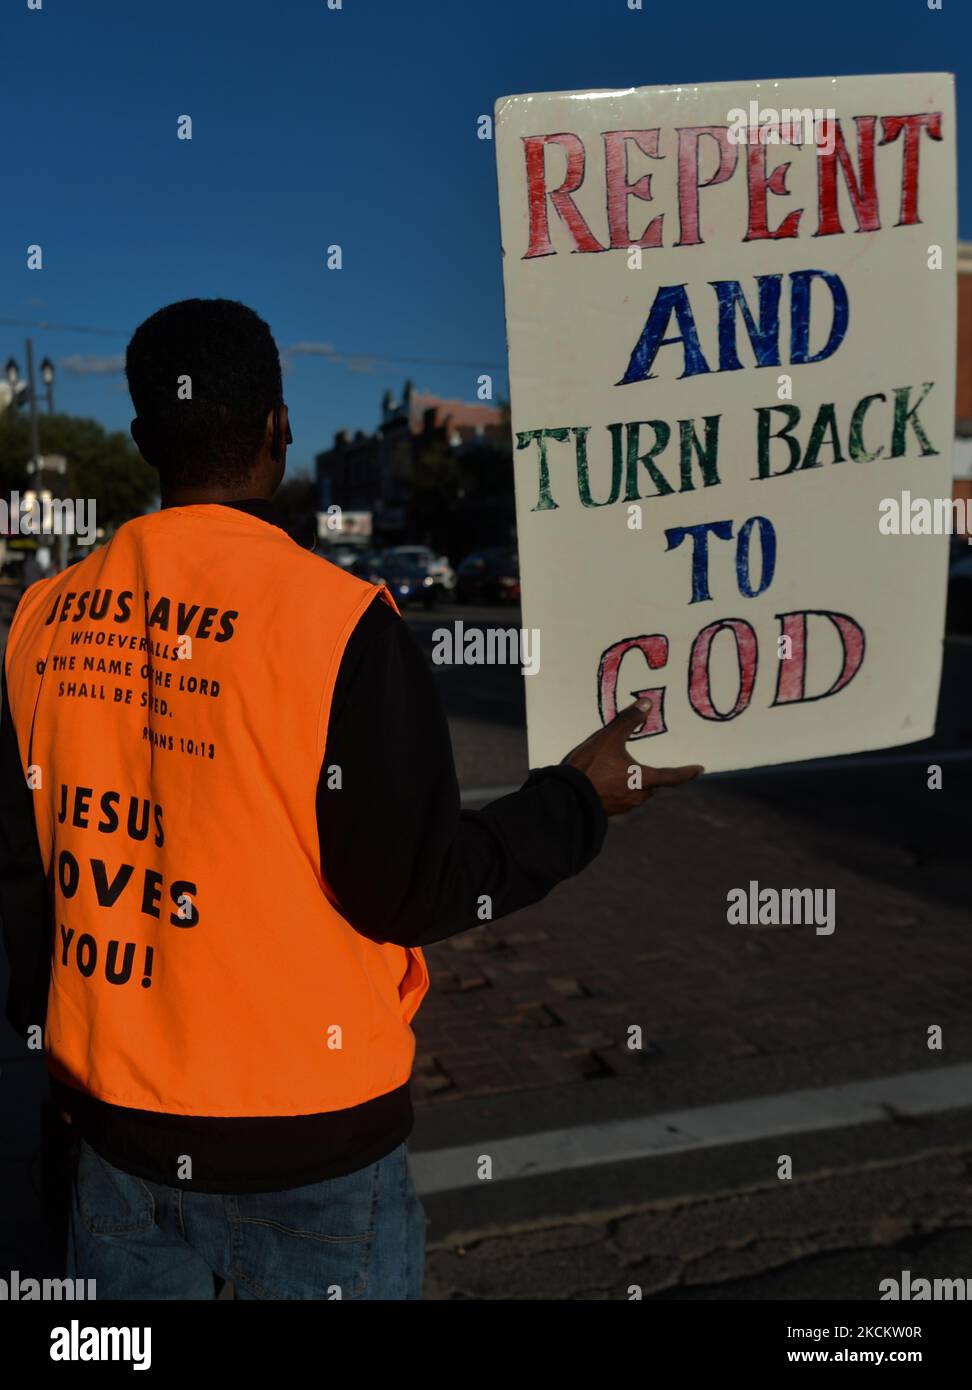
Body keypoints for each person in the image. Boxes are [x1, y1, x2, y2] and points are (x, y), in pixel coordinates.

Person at [0, 298, 702, 1301]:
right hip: (313, 1154)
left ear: (145, 437)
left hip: (113, 1134)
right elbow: (412, 890)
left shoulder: (41, 617)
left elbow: (26, 884)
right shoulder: (340, 623)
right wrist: (579, 802)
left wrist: (52, 1064)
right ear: (280, 427)